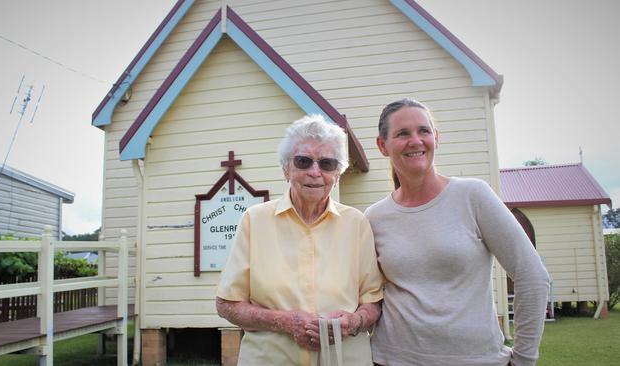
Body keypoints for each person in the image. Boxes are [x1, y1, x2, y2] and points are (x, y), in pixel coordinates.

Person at [365, 98, 550, 366]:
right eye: (403, 133)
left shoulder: (473, 196)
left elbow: (532, 275)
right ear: (382, 146)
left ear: (436, 138)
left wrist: (523, 360)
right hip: (390, 360)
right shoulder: (374, 217)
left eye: (423, 131)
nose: (415, 140)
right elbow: (369, 293)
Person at [216, 114, 384, 365]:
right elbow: (227, 304)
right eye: (303, 161)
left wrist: (352, 322)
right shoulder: (255, 220)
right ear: (286, 169)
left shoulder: (357, 223)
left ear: (337, 173)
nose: (315, 172)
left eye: (327, 164)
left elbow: (373, 302)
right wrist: (285, 322)